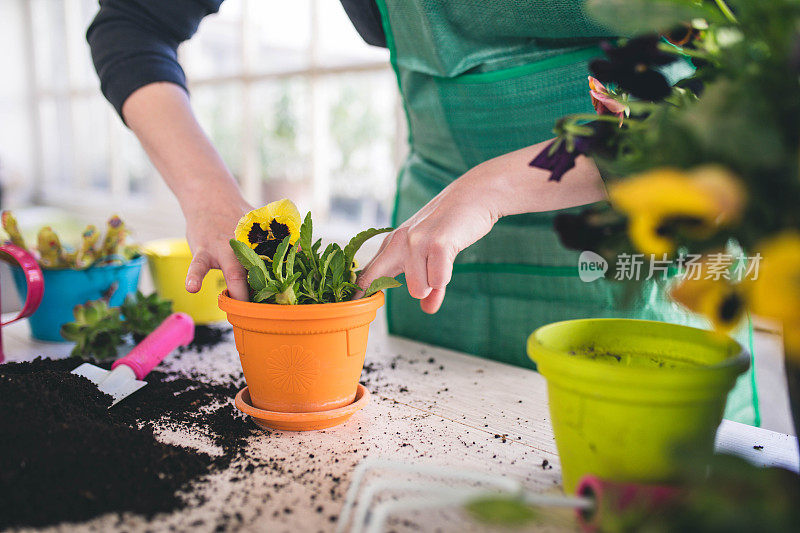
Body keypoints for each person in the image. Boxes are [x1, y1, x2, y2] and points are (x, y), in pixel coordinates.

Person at [87, 0, 756, 423]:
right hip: (440, 268)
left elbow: (709, 106)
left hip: (641, 248)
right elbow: (134, 22)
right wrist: (208, 196)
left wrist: (491, 189)